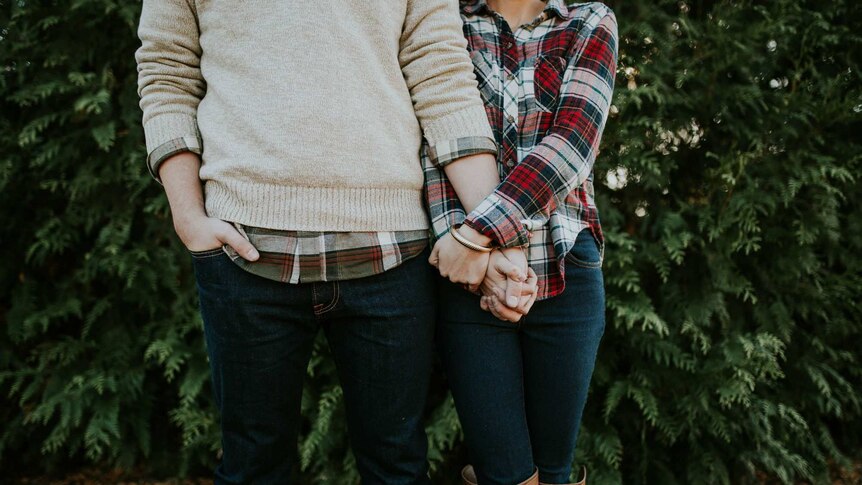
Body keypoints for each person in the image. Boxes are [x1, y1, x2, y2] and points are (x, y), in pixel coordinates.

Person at [134, 1, 533, 483]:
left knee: (397, 469)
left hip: (393, 252)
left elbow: (443, 78)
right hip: (243, 249)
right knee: (252, 467)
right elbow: (166, 72)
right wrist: (188, 217)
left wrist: (493, 230)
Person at [424, 1, 619, 484]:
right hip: (470, 280)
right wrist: (476, 258)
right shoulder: (446, 20)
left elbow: (573, 142)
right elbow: (433, 141)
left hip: (565, 265)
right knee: (503, 472)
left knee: (554, 471)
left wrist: (478, 234)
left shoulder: (589, 20)